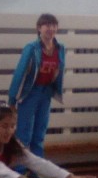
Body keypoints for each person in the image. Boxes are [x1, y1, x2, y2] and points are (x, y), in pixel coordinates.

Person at [8, 13, 65, 160]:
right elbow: (20, 73)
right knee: (23, 134)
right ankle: (20, 169)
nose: (51, 28)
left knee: (39, 133)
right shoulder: (32, 48)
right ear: (39, 28)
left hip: (46, 93)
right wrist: (12, 100)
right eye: (47, 25)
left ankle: (38, 169)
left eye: (54, 25)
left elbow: (59, 71)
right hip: (30, 93)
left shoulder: (60, 48)